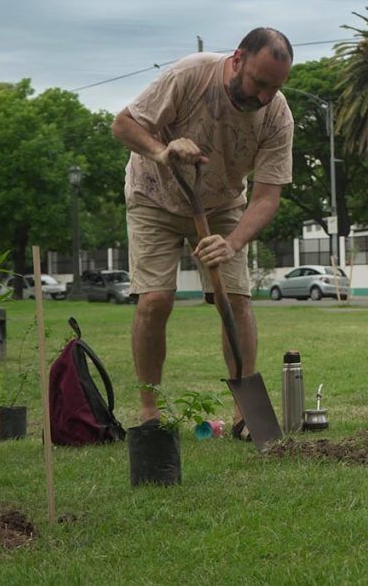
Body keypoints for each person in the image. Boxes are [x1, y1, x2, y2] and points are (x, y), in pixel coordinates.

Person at [111, 27, 295, 441]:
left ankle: (245, 414)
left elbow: (267, 196)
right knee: (155, 301)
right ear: (237, 59)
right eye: (260, 83)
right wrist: (162, 151)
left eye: (276, 87)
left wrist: (231, 242)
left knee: (236, 301)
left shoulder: (277, 114)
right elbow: (122, 125)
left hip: (223, 205)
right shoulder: (190, 75)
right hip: (153, 195)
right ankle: (149, 412)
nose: (265, 96)